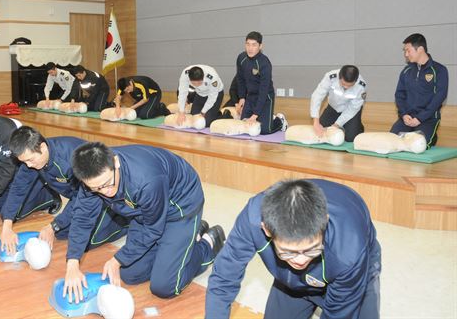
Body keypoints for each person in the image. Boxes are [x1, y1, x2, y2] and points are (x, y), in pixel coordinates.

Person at [63, 142, 225, 302]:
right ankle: (188, 237)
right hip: (145, 211)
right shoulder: (92, 179)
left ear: (116, 162)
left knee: (164, 286)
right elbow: (83, 219)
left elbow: (153, 229)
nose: (106, 191)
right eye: (97, 188)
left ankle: (207, 244)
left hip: (180, 206)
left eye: (107, 183)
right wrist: (72, 263)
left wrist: (116, 260)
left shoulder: (146, 179)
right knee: (130, 274)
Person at [206, 179, 381, 319]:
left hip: (349, 272)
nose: (301, 260)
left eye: (311, 249)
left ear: (324, 224)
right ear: (266, 229)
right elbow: (223, 280)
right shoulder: (252, 220)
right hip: (290, 281)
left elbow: (340, 313)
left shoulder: (349, 250)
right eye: (288, 252)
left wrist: (290, 254)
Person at [0, 127, 127, 255]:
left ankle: (127, 221)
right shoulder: (32, 159)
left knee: (86, 241)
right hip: (79, 196)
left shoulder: (71, 159)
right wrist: (7, 226)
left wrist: (53, 226)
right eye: (24, 161)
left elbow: (82, 197)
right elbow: (18, 189)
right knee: (62, 233)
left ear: (43, 148)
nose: (28, 165)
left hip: (102, 194)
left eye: (30, 160)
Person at [391, 33, 449, 147]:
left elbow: (439, 97)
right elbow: (399, 95)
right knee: (392, 142)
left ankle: (429, 136)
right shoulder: (406, 71)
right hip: (407, 119)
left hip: (428, 119)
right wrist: (404, 114)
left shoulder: (439, 70)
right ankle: (412, 133)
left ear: (421, 49)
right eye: (404, 51)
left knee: (417, 145)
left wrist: (420, 118)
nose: (406, 54)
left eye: (408, 50)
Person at [235, 31, 287, 134]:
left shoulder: (264, 63)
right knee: (244, 127)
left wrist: (255, 115)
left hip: (266, 97)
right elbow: (240, 79)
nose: (250, 48)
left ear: (260, 46)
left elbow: (264, 90)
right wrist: (241, 97)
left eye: (254, 45)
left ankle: (279, 121)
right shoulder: (241, 58)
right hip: (250, 97)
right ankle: (266, 117)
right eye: (248, 44)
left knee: (264, 130)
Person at [310, 65, 367, 142]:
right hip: (333, 108)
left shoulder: (361, 86)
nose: (346, 87)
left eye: (350, 85)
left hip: (350, 111)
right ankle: (343, 126)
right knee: (321, 129)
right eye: (343, 84)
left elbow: (353, 109)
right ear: (339, 77)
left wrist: (336, 125)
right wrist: (315, 121)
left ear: (356, 81)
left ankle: (357, 126)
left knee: (351, 138)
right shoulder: (331, 77)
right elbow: (317, 96)